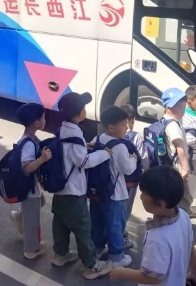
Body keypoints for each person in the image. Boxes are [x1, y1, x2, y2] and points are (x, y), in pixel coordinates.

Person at [51, 91, 113, 280]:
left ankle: (60, 255)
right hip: (73, 191)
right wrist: (104, 154)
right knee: (82, 227)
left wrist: (84, 146)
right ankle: (91, 266)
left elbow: (69, 150)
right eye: (84, 107)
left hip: (60, 187)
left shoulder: (62, 129)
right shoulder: (75, 135)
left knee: (60, 223)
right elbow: (83, 162)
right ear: (79, 113)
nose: (85, 110)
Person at [108, 166, 196, 286]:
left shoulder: (158, 238)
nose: (141, 197)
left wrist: (123, 273)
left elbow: (152, 278)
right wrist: (195, 273)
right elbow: (190, 246)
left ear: (161, 203)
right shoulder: (183, 216)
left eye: (144, 193)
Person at [89, 106, 137, 267]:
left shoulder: (97, 139)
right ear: (111, 127)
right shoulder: (120, 146)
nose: (126, 128)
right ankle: (117, 256)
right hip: (115, 194)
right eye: (123, 125)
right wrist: (133, 159)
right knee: (115, 224)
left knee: (97, 221)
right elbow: (127, 169)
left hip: (97, 191)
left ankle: (97, 248)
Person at [9, 103, 52, 260]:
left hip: (30, 186)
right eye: (43, 117)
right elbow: (27, 168)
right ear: (37, 123)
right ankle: (31, 249)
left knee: (39, 203)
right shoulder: (28, 143)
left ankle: (19, 216)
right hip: (29, 188)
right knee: (33, 219)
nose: (45, 120)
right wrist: (42, 160)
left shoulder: (29, 137)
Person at [160, 88, 196, 218]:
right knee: (184, 194)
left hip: (172, 165)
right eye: (179, 108)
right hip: (179, 167)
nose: (183, 111)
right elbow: (179, 146)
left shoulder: (165, 119)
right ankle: (183, 217)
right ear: (168, 107)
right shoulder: (173, 125)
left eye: (183, 107)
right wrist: (185, 168)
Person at [121, 104, 142, 249]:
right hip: (130, 181)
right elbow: (144, 158)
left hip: (115, 180)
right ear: (132, 120)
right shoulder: (135, 137)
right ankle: (121, 237)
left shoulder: (108, 135)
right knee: (125, 209)